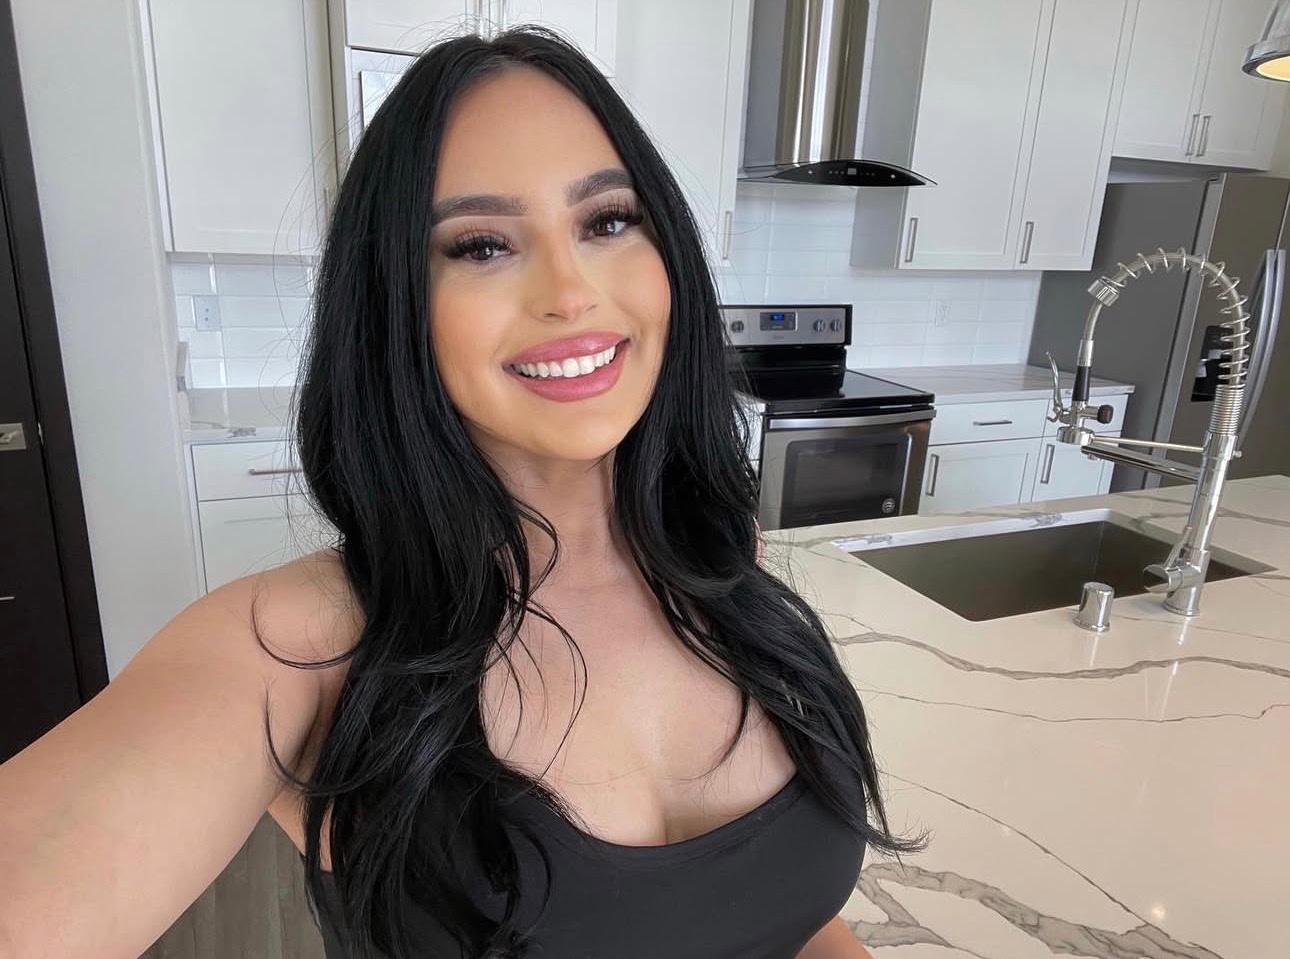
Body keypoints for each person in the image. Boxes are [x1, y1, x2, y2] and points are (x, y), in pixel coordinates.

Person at [0, 26, 923, 959]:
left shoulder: (720, 558)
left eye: (607, 221)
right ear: (395, 301)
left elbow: (784, 915)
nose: (571, 291)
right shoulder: (300, 650)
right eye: (482, 245)